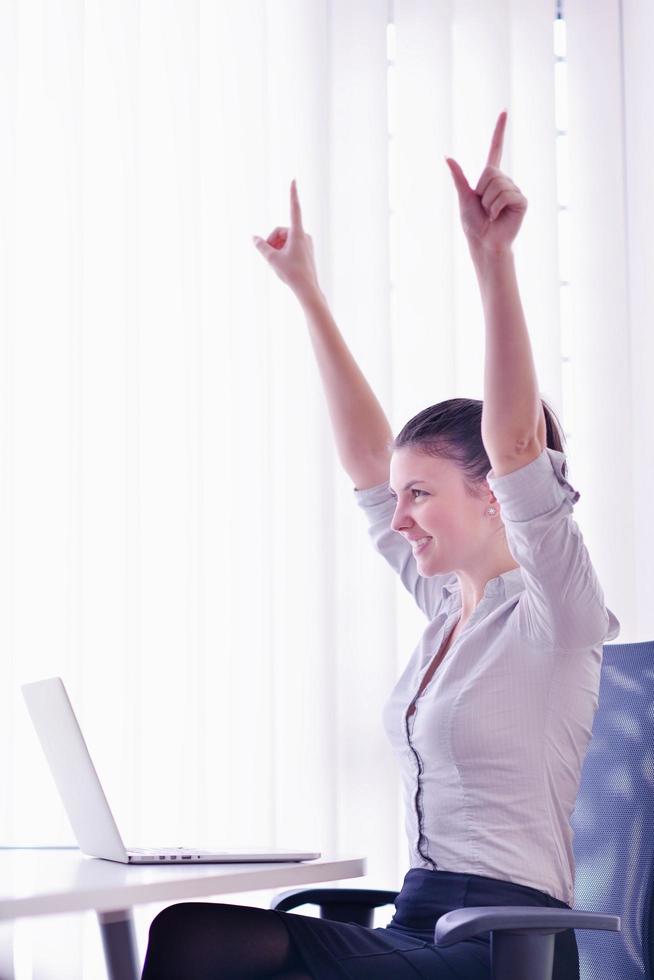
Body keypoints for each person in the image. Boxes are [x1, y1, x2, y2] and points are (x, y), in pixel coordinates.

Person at [140, 111, 620, 979]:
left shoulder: (557, 611)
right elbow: (367, 464)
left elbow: (515, 446)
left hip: (503, 945)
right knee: (193, 932)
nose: (396, 517)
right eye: (399, 499)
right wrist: (307, 292)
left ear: (493, 496)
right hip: (417, 922)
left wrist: (493, 261)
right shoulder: (444, 607)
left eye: (421, 496)